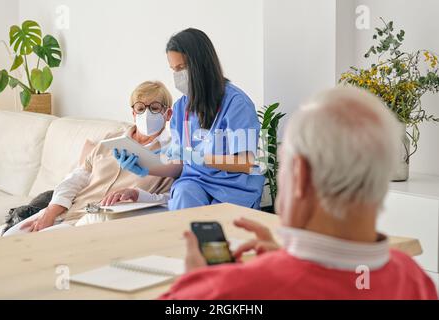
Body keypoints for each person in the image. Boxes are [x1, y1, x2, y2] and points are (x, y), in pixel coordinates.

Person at [159, 86, 438, 300]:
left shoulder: (231, 290)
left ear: (300, 175)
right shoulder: (414, 280)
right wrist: (284, 258)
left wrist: (196, 283)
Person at [112, 28, 265, 211]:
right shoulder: (180, 109)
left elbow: (245, 162)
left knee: (219, 221)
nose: (177, 75)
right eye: (173, 69)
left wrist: (198, 157)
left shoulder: (237, 104)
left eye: (182, 68)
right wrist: (143, 165)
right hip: (195, 183)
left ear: (202, 65)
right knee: (184, 194)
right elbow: (178, 166)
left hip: (233, 188)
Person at [3, 81, 174, 236]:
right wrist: (50, 212)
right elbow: (76, 178)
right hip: (68, 210)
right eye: (141, 108)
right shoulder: (110, 140)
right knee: (9, 238)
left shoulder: (171, 155)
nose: (147, 114)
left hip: (97, 221)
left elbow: (170, 200)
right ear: (133, 113)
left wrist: (137, 194)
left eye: (155, 107)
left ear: (168, 114)